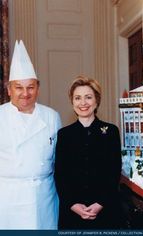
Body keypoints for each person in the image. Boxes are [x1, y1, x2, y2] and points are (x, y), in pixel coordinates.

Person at [0, 40, 61, 229]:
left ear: (38, 88)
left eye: (31, 87)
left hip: (44, 196)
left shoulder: (52, 116)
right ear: (9, 89)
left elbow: (61, 159)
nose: (25, 93)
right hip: (8, 198)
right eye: (19, 87)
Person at [54, 75, 123, 229]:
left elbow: (114, 171)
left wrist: (100, 203)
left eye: (88, 97)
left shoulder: (111, 131)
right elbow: (60, 174)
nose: (83, 103)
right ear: (72, 102)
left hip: (106, 210)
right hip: (72, 213)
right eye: (77, 98)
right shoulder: (64, 135)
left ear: (96, 101)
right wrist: (72, 204)